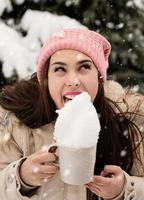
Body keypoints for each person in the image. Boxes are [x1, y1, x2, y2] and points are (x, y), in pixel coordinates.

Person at [0, 28, 144, 200]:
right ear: (46, 80)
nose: (74, 81)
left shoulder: (129, 122)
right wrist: (20, 177)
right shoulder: (16, 123)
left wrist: (126, 189)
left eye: (84, 67)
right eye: (60, 69)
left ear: (99, 77)